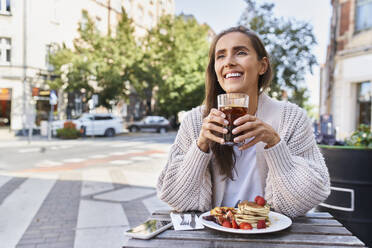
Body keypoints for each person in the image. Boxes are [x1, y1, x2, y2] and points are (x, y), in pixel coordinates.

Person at [157, 26, 330, 218]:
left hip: (270, 233)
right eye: (220, 56)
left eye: (240, 52)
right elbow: (174, 198)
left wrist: (274, 143)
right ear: (215, 69)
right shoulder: (195, 121)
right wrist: (201, 147)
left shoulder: (291, 117)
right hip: (215, 233)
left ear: (262, 66)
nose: (229, 62)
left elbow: (307, 198)